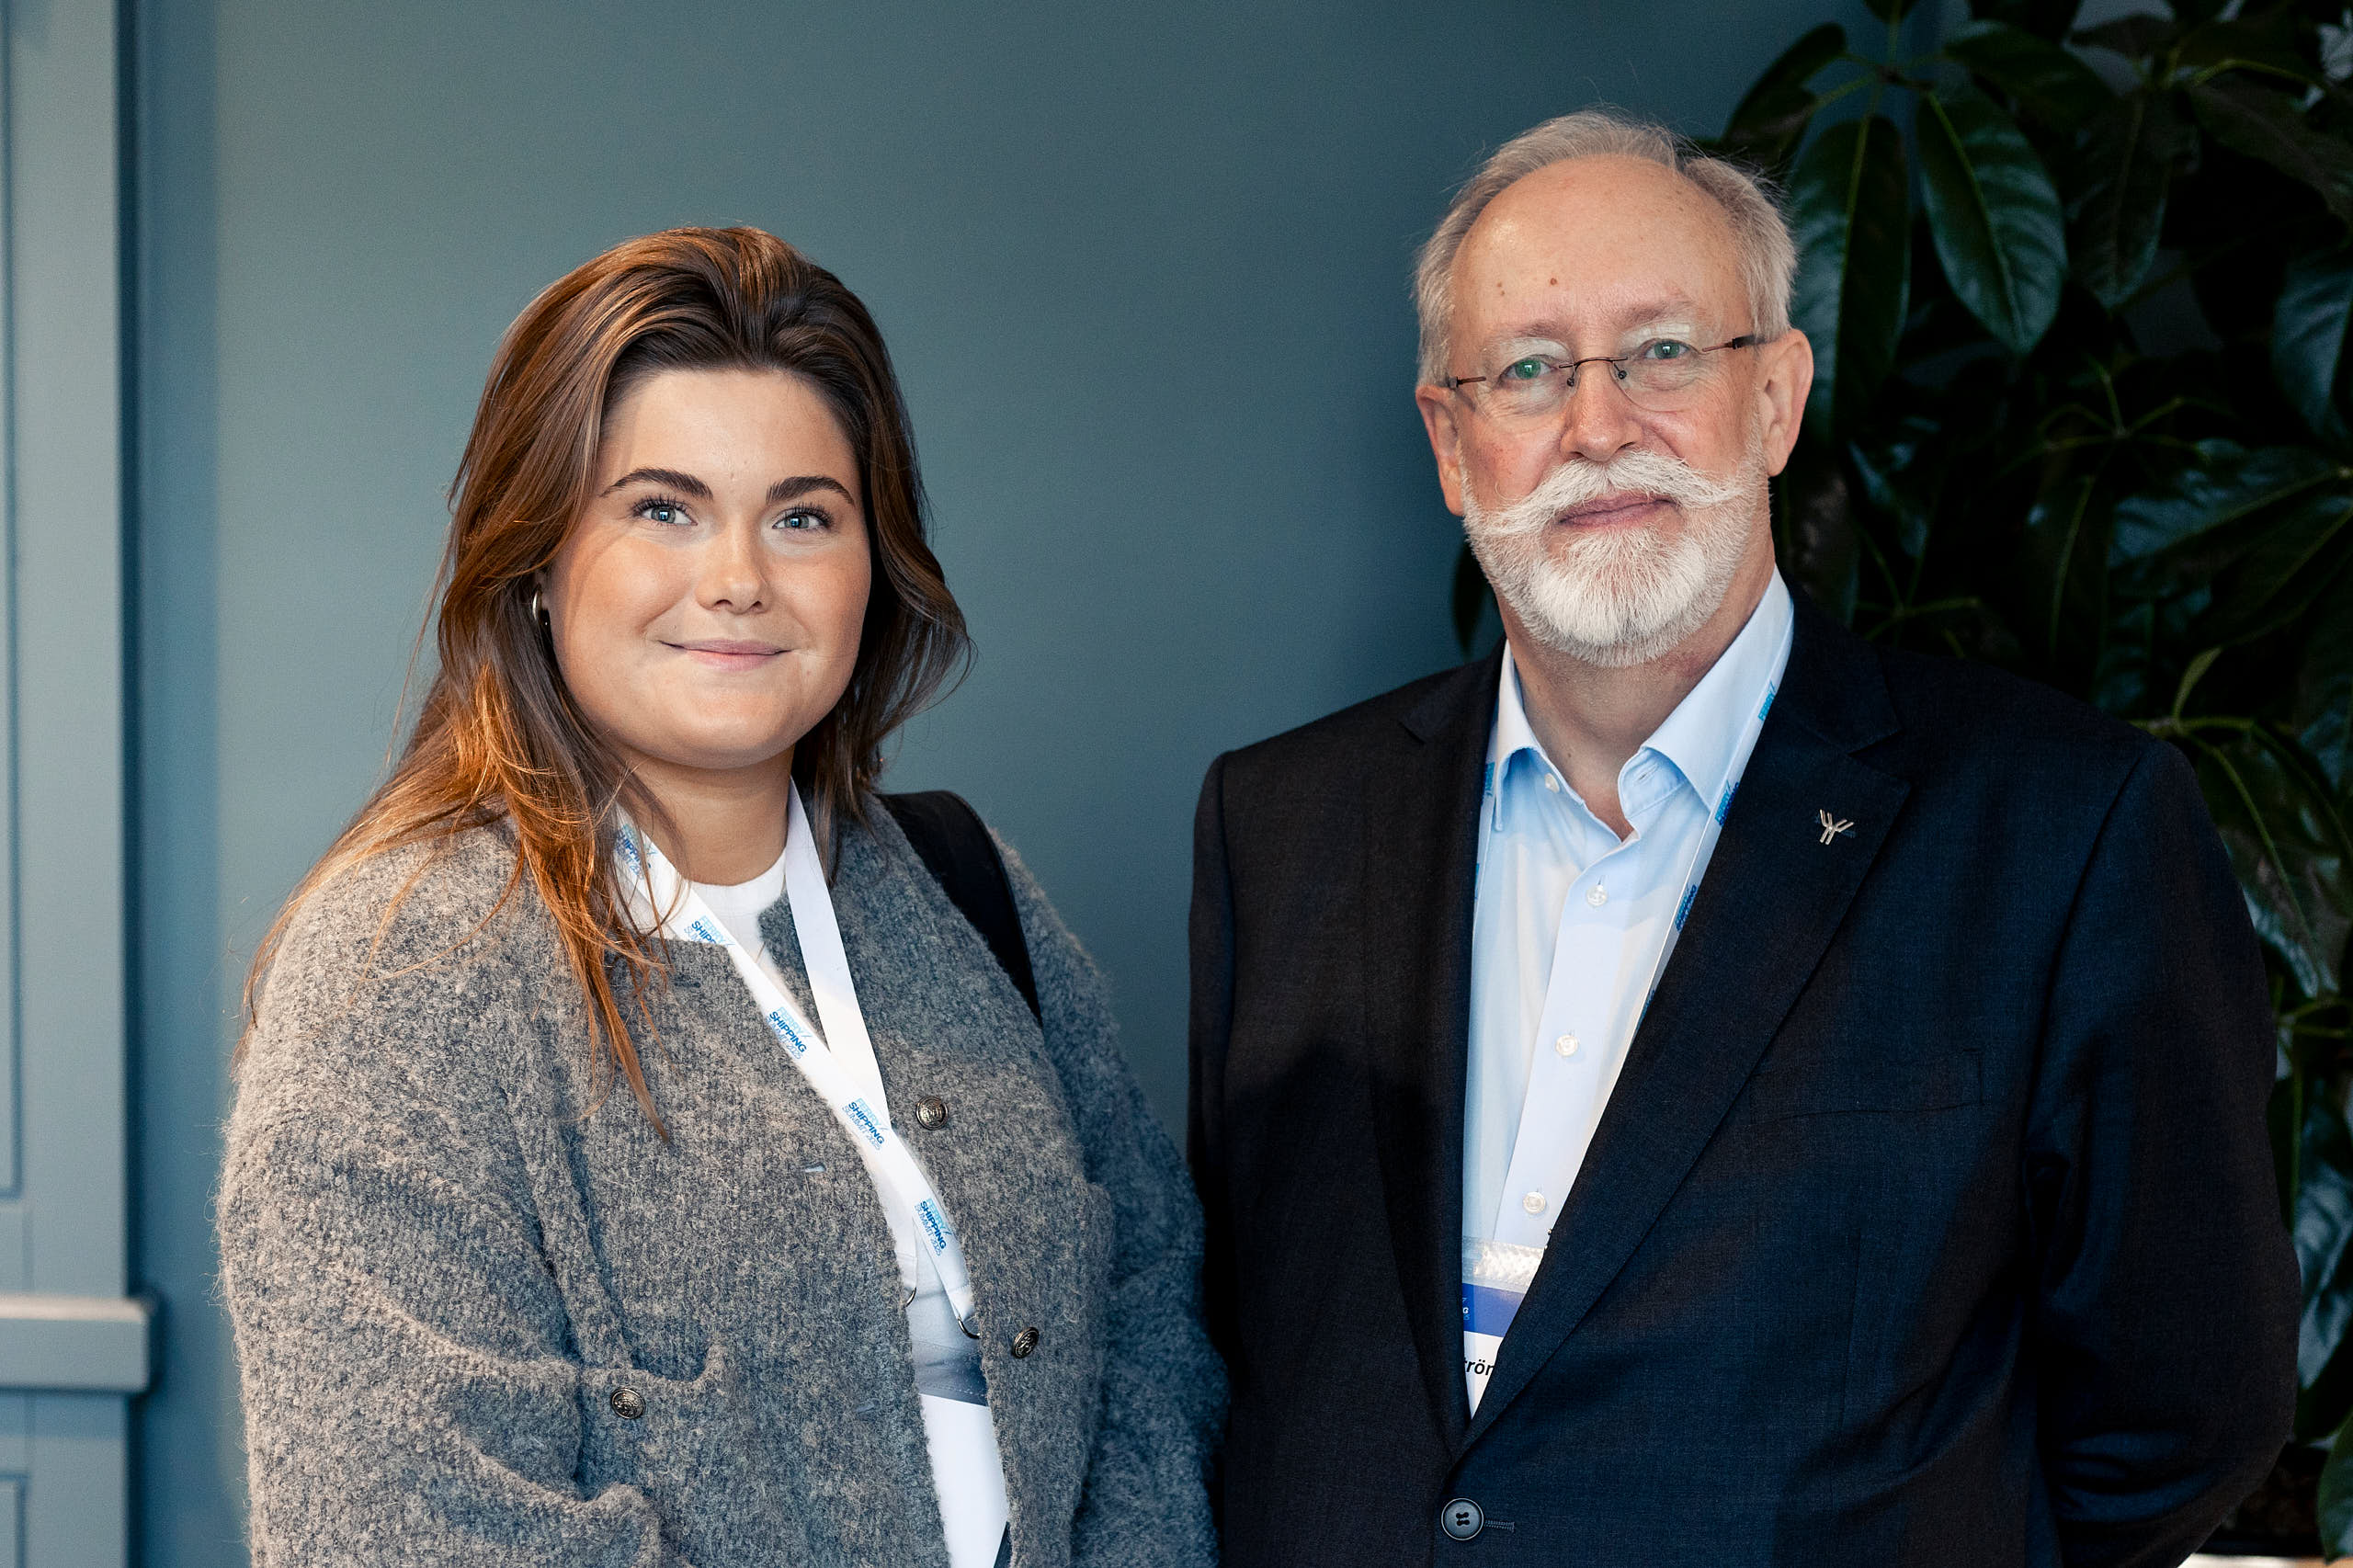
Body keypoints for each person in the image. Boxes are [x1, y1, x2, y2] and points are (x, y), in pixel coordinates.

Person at [1188, 109, 2299, 1566]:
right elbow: (1243, 1347)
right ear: (1453, 447)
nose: (1598, 426)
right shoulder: (1280, 826)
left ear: (1775, 400)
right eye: (1529, 369)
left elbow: (2187, 1408)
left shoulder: (2062, 829)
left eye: (1661, 352)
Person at [221, 227, 1221, 1568]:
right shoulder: (401, 970)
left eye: (804, 516)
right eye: (662, 508)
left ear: (874, 568)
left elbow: (1151, 1308)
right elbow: (403, 1525)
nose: (741, 577)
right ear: (536, 556)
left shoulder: (966, 888)